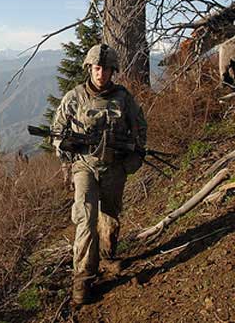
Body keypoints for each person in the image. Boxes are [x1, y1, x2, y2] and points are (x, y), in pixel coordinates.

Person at [51, 44, 147, 305]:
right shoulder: (74, 97)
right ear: (89, 68)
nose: (100, 73)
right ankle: (83, 278)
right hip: (84, 167)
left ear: (112, 70)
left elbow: (140, 127)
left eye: (105, 69)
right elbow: (57, 130)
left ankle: (106, 256)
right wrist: (65, 147)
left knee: (110, 215)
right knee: (86, 218)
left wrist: (135, 158)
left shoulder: (124, 98)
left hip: (115, 167)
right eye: (96, 68)